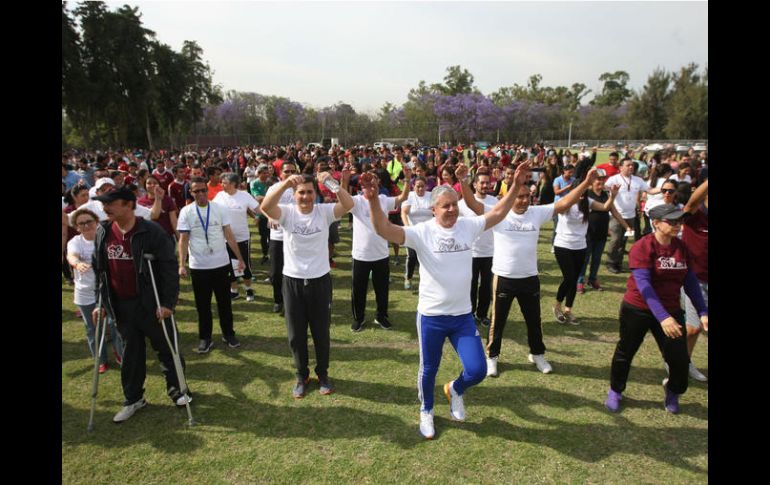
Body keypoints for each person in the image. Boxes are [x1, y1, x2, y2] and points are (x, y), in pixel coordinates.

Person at [364, 161, 530, 439]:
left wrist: (516, 185)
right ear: (433, 209)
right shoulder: (421, 232)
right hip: (431, 316)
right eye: (445, 206)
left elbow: (499, 212)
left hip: (462, 317)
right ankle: (426, 410)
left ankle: (455, 389)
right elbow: (383, 229)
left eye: (454, 204)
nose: (451, 209)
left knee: (477, 370)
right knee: (429, 368)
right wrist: (371, 200)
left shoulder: (467, 226)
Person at [470, 166, 600, 377]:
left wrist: (585, 182)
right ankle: (492, 357)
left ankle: (537, 354)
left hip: (529, 278)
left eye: (527, 197)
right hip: (504, 277)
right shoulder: (499, 215)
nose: (523, 201)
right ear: (510, 197)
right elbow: (473, 205)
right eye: (519, 197)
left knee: (534, 320)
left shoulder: (536, 213)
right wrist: (461, 181)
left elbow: (565, 202)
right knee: (498, 321)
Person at [90, 187, 189, 423]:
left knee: (166, 347)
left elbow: (167, 268)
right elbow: (100, 270)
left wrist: (167, 303)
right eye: (103, 204)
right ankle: (133, 398)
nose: (105, 208)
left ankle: (179, 391)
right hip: (121, 305)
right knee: (131, 353)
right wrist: (100, 302)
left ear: (128, 205)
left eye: (110, 203)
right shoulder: (103, 231)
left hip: (151, 303)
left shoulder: (151, 231)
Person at [604, 203, 708, 414]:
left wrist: (703, 312)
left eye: (680, 221)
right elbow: (644, 286)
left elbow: (690, 282)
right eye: (672, 221)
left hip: (670, 310)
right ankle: (616, 390)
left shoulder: (681, 248)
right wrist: (663, 318)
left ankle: (673, 391)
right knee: (626, 351)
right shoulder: (643, 247)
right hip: (638, 309)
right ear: (656, 223)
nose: (678, 225)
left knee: (679, 358)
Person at [260, 171, 354, 399]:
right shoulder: (287, 213)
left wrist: (331, 183)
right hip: (292, 281)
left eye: (310, 192)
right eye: (301, 192)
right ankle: (302, 376)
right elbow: (266, 205)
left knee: (321, 332)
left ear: (316, 194)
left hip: (320, 280)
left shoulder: (324, 212)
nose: (305, 197)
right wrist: (284, 185)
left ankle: (323, 374)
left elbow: (348, 204)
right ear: (294, 195)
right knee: (296, 334)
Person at [177, 177, 246, 353]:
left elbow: (229, 235)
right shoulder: (186, 211)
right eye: (196, 191)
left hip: (221, 264)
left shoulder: (219, 208)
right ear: (191, 193)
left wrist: (240, 258)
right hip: (199, 266)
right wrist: (182, 264)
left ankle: (228, 334)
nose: (200, 194)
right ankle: (205, 338)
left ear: (207, 191)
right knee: (203, 305)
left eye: (203, 190)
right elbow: (183, 240)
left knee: (224, 303)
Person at [345, 167, 409, 332]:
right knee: (358, 290)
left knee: (382, 289)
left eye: (373, 180)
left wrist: (408, 180)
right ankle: (358, 318)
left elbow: (403, 197)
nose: (370, 184)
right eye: (366, 181)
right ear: (361, 185)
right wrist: (344, 180)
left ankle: (381, 316)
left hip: (380, 254)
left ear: (377, 182)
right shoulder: (357, 201)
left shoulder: (383, 199)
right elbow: (343, 199)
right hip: (361, 255)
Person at [553, 179, 623, 322]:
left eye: (583, 192)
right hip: (563, 245)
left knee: (573, 280)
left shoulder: (588, 202)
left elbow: (605, 207)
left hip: (580, 246)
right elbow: (562, 207)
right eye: (578, 191)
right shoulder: (564, 202)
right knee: (569, 278)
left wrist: (613, 196)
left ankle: (568, 310)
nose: (581, 195)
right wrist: (573, 199)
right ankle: (557, 306)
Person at [67, 208, 125, 373]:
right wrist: (77, 263)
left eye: (89, 222)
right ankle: (100, 359)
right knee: (93, 328)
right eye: (81, 223)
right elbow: (71, 256)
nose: (86, 226)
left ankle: (120, 352)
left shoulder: (106, 238)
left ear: (96, 222)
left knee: (115, 324)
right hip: (85, 292)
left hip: (109, 290)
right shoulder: (75, 242)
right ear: (77, 227)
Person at [675, 179, 709, 382]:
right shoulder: (694, 215)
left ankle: (682, 360)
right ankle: (680, 361)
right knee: (693, 328)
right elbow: (691, 203)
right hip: (694, 279)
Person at [604, 159, 661, 273]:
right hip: (616, 215)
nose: (631, 167)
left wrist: (664, 189)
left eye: (632, 165)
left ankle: (618, 263)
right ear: (620, 167)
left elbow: (650, 191)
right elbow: (603, 187)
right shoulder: (613, 179)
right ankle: (610, 262)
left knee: (623, 240)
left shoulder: (638, 180)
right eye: (628, 165)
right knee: (615, 239)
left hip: (631, 215)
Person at [577, 174, 630, 293]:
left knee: (596, 259)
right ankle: (580, 281)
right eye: (598, 179)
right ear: (591, 181)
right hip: (587, 233)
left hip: (601, 234)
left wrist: (627, 227)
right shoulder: (586, 194)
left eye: (602, 179)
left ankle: (593, 279)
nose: (601, 181)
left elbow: (614, 212)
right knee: (584, 259)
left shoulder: (606, 195)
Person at [458, 170, 497, 328]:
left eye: (488, 182)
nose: (485, 185)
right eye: (482, 182)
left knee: (486, 286)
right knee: (470, 285)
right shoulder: (463, 203)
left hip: (490, 251)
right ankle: (470, 313)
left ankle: (482, 314)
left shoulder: (495, 201)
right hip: (470, 252)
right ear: (474, 184)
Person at [213, 173, 260, 302]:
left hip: (242, 237)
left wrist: (263, 217)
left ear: (233, 184)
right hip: (224, 238)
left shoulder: (244, 195)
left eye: (224, 182)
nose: (222, 184)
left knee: (244, 264)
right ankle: (234, 290)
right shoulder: (219, 196)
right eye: (221, 182)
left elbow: (258, 208)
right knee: (229, 265)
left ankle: (248, 288)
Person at [263, 161, 300, 314]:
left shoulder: (302, 188)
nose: (290, 174)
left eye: (293, 171)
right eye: (287, 171)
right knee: (276, 272)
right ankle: (278, 300)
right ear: (280, 174)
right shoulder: (274, 188)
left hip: (297, 235)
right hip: (278, 236)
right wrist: (269, 217)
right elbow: (264, 206)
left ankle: (293, 301)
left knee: (295, 271)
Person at [400, 176, 434, 290]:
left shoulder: (431, 196)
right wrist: (408, 228)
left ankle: (428, 280)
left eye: (422, 186)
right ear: (413, 186)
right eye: (418, 186)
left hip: (428, 233)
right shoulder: (409, 196)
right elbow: (404, 213)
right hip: (413, 231)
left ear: (426, 186)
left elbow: (436, 212)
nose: (420, 189)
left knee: (428, 256)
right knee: (412, 256)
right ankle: (408, 277)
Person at [137, 175, 178, 240]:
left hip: (167, 236)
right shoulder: (140, 202)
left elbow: (174, 221)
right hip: (149, 238)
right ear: (145, 185)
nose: (152, 185)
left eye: (155, 183)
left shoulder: (167, 199)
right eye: (149, 183)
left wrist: (179, 236)